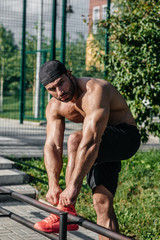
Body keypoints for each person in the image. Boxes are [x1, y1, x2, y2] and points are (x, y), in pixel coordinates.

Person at [34, 60, 141, 239]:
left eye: (61, 83)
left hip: (125, 138)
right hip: (101, 145)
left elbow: (91, 141)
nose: (59, 92)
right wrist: (53, 184)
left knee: (76, 139)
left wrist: (72, 188)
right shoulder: (55, 105)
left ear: (69, 73)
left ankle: (67, 211)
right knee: (102, 203)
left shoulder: (95, 90)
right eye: (52, 89)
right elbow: (52, 145)